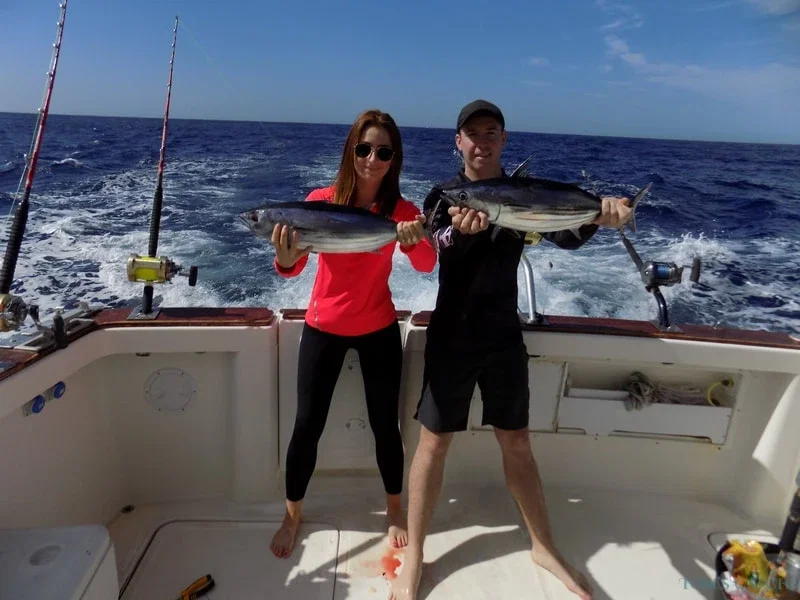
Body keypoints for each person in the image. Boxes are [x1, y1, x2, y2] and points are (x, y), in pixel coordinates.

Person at [389, 99, 633, 600]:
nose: (481, 142)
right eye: (472, 133)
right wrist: (462, 233)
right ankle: (415, 556)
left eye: (491, 133)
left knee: (517, 442)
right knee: (433, 445)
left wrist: (602, 216)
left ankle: (544, 545)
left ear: (503, 140)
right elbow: (441, 243)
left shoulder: (526, 194)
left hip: (503, 334)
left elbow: (566, 236)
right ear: (458, 141)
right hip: (453, 336)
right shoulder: (444, 195)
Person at [269, 109, 437, 559]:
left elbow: (427, 264)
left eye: (383, 152)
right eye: (364, 149)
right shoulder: (320, 201)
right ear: (351, 151)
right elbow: (291, 268)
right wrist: (284, 256)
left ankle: (395, 509)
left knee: (386, 426)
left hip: (378, 327)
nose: (372, 159)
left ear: (394, 159)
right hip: (323, 326)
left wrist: (413, 242)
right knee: (307, 426)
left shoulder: (403, 213)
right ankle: (292, 514)